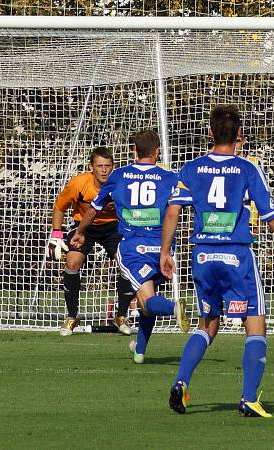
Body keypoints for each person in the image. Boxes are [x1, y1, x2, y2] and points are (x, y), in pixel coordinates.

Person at [161, 105, 274, 418]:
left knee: (208, 325)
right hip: (237, 255)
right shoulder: (247, 169)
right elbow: (270, 214)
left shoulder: (192, 168)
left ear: (210, 133)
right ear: (239, 134)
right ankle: (248, 398)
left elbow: (173, 211)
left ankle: (181, 381)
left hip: (202, 255)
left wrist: (165, 252)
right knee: (255, 326)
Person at [71, 130, 189, 363]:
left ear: (134, 150)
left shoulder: (119, 176)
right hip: (163, 247)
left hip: (134, 248)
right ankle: (140, 350)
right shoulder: (170, 177)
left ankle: (173, 308)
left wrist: (80, 232)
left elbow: (94, 208)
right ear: (157, 152)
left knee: (147, 299)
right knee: (147, 301)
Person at [47, 147, 134, 336]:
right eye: (99, 166)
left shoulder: (121, 184)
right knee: (72, 261)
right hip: (83, 228)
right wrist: (56, 234)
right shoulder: (78, 183)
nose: (104, 170)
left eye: (108, 166)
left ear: (113, 167)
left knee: (126, 262)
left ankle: (121, 316)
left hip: (113, 227)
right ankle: (71, 317)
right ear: (91, 168)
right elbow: (60, 206)